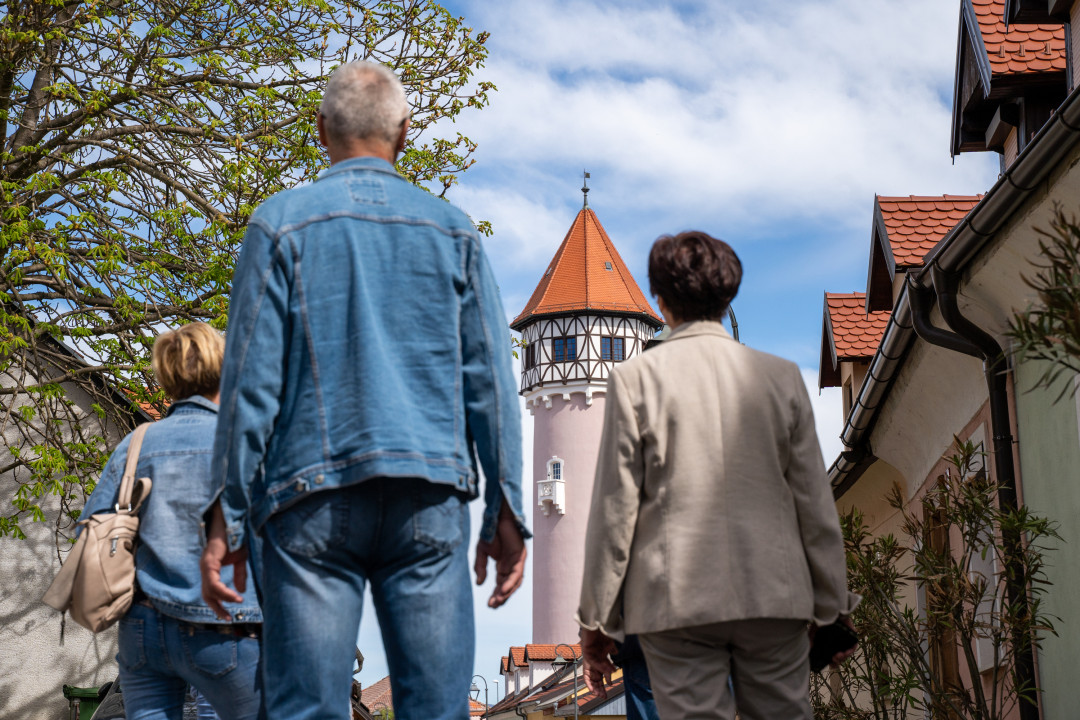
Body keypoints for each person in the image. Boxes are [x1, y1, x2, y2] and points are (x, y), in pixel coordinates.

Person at [198, 61, 528, 720]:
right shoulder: (454, 232)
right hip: (427, 496)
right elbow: (490, 381)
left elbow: (249, 386)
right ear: (404, 132)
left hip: (310, 494)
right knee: (436, 710)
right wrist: (506, 508)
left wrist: (224, 515)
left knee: (305, 710)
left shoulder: (279, 225)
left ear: (320, 129)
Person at [576, 231, 859, 720]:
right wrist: (833, 609)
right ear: (730, 295)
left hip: (675, 602)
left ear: (661, 301)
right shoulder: (781, 377)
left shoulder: (635, 379)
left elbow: (614, 511)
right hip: (775, 597)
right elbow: (814, 506)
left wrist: (595, 623)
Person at [80, 323, 263, 720]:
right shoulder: (244, 441)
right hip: (223, 621)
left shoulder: (138, 442)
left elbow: (94, 524)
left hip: (143, 628)